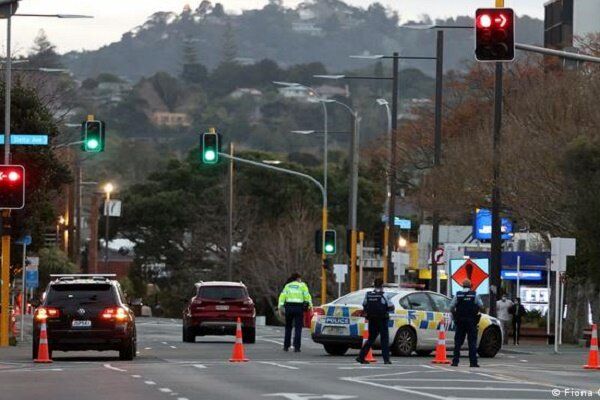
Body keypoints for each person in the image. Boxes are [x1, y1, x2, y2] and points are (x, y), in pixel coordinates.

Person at [356, 278, 394, 365]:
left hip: (372, 319)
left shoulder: (368, 294)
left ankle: (361, 357)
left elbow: (364, 304)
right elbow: (390, 306)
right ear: (382, 285)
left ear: (374, 285)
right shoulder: (384, 294)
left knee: (370, 339)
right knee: (384, 339)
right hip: (382, 319)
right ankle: (386, 359)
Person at [450, 279, 483, 367]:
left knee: (457, 342)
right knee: (472, 342)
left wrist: (455, 316)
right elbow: (481, 305)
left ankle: (455, 362)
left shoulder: (458, 294)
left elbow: (451, 306)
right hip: (471, 321)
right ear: (470, 286)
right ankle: (473, 363)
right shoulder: (475, 294)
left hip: (460, 321)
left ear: (462, 286)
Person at [278, 273, 312, 352]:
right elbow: (307, 297)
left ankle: (286, 346)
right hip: (298, 308)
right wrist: (310, 306)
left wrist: (280, 307)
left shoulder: (287, 286)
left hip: (289, 307)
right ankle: (297, 347)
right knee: (298, 328)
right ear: (298, 278)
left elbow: (282, 296)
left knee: (288, 327)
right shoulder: (302, 286)